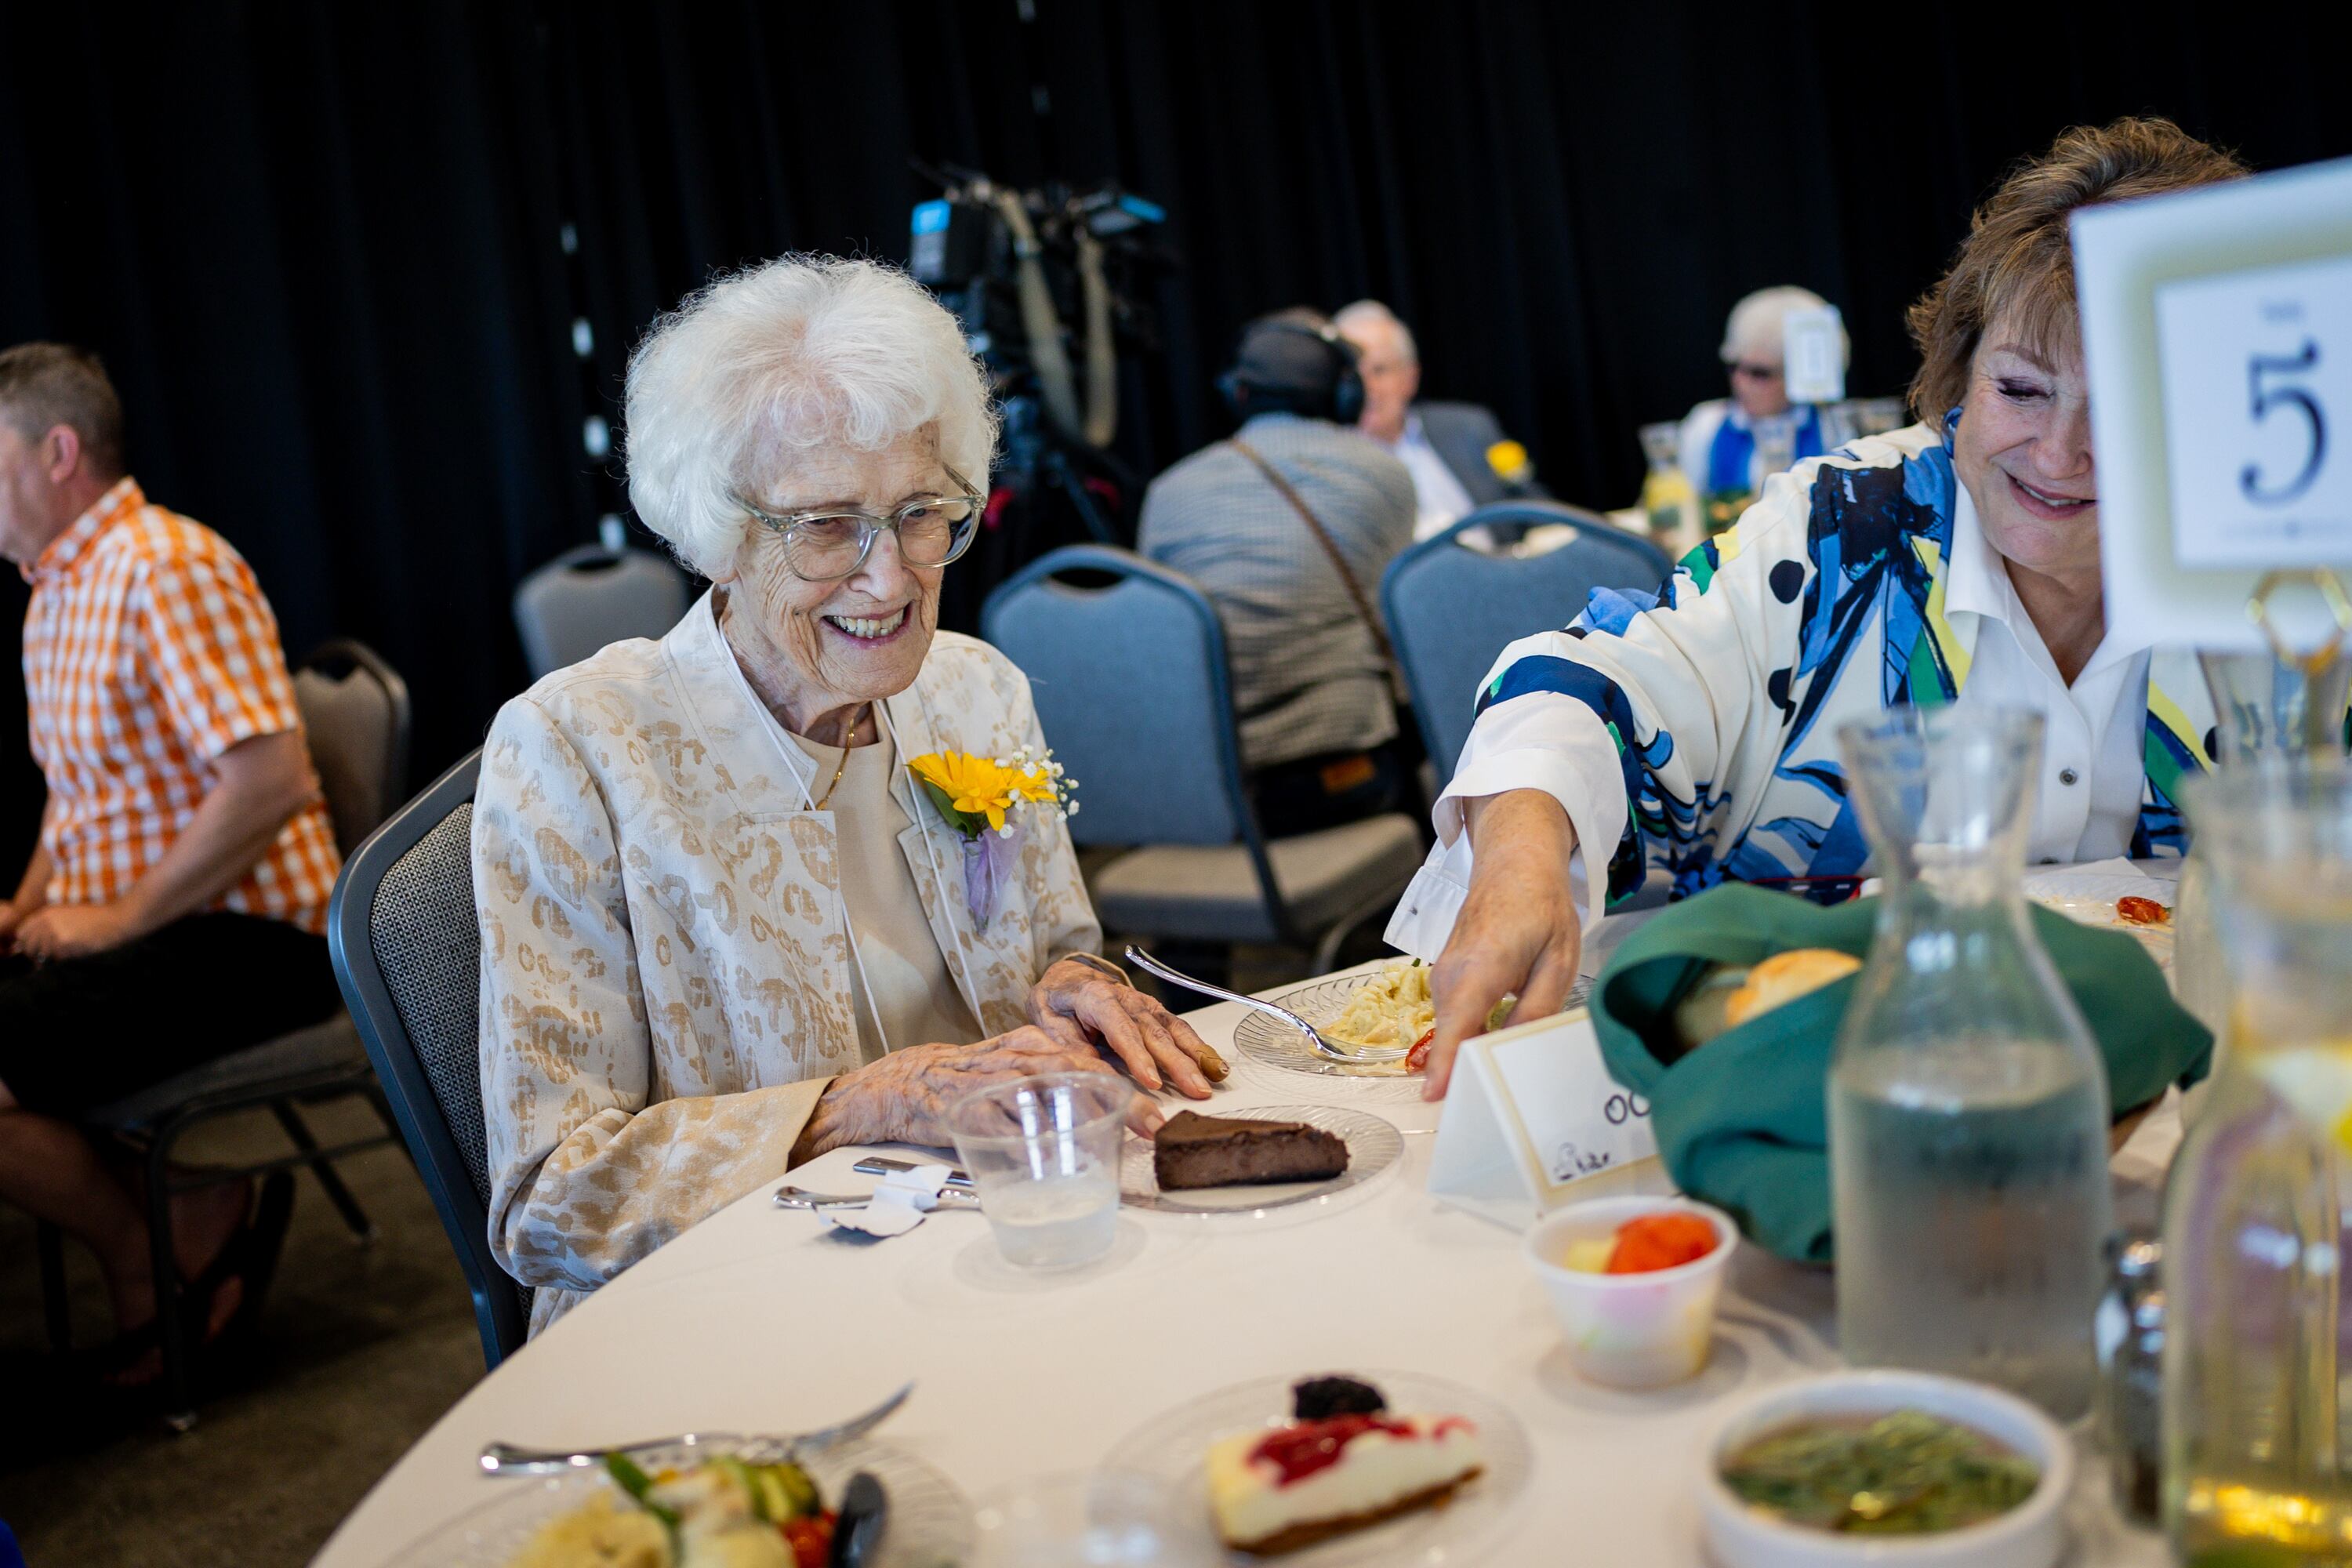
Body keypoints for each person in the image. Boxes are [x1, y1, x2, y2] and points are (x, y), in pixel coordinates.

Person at [1393, 118, 2249, 1098]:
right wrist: (1518, 858)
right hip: (1830, 1093)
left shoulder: (2280, 570)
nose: (2059, 453)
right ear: (1961, 377)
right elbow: (1591, 679)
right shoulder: (1848, 526)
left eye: (2126, 406)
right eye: (2021, 389)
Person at [476, 256, 1224, 1333]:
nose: (891, 577)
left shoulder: (976, 689)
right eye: (826, 527)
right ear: (719, 537)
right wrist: (867, 1103)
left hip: (1005, 1241)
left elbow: (1055, 953)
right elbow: (552, 1199)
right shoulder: (578, 750)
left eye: (921, 512)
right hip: (739, 1314)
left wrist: (1071, 989)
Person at [0, 343, 343, 1378]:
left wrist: (114, 920)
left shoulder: (165, 565)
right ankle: (180, 1201)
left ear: (58, 452)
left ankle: (148, 1252)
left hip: (248, 941)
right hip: (155, 930)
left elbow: (271, 778)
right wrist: (22, 908)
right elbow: (76, 798)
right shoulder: (55, 588)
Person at [1138, 309, 1417, 837]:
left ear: (1237, 394)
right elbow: (1401, 635)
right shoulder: (1384, 473)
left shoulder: (1166, 492)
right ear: (1346, 396)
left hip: (1213, 797)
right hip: (1345, 780)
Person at [1334, 299, 1548, 540]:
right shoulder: (1327, 465)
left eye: (1379, 370)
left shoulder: (1469, 428)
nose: (1366, 388)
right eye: (1352, 376)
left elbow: (1536, 509)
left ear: (1410, 378)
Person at [1675, 285, 1860, 525]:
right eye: (1734, 366)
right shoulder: (1707, 425)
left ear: (1796, 375)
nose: (1740, 382)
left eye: (1759, 373)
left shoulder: (1836, 428)